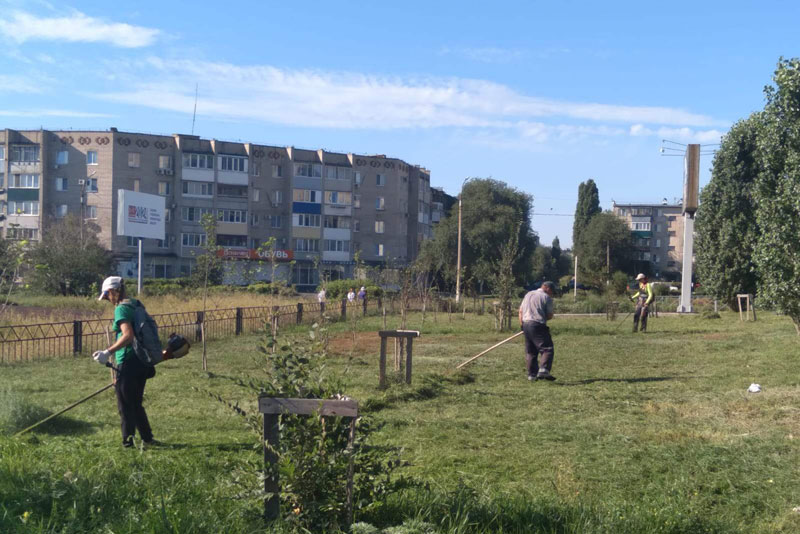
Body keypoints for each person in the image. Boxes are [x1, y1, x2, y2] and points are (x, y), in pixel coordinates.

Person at [92, 276, 157, 448]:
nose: (107, 299)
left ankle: (128, 443)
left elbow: (128, 336)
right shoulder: (136, 303)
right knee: (135, 403)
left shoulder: (121, 309)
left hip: (128, 359)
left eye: (106, 295)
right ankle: (147, 439)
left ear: (113, 291)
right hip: (142, 360)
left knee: (126, 405)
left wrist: (107, 353)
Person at [518, 281, 556, 381]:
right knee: (547, 348)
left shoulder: (528, 294)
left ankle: (532, 375)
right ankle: (543, 370)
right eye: (552, 291)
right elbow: (549, 315)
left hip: (525, 324)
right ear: (547, 288)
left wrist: (522, 325)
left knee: (531, 351)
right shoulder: (546, 297)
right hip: (538, 324)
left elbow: (520, 311)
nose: (551, 293)